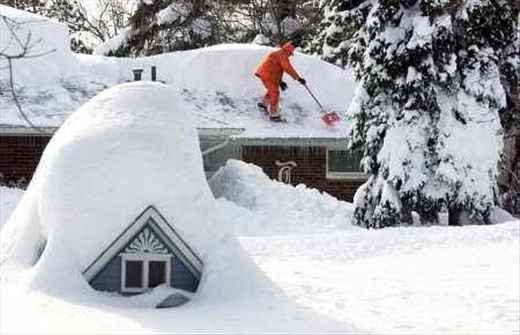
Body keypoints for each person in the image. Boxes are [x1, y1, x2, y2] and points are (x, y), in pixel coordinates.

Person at [254, 42, 306, 122]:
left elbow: (275, 69)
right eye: (290, 54)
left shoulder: (280, 53)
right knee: (275, 93)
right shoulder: (282, 55)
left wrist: (280, 82)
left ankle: (263, 105)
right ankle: (274, 115)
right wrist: (298, 78)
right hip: (266, 74)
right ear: (288, 51)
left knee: (272, 91)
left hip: (269, 74)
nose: (290, 55)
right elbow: (287, 68)